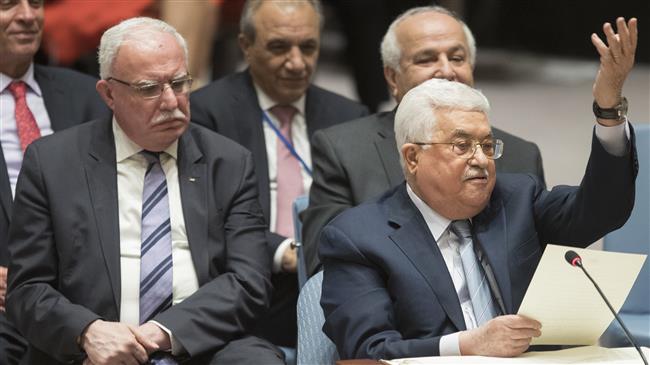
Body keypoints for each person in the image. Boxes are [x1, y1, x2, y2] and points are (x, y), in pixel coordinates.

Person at [319, 17, 638, 360]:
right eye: (461, 145)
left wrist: (609, 112)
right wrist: (466, 345)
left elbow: (603, 209)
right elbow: (368, 349)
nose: (481, 160)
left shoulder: (518, 199)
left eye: (487, 146)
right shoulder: (357, 238)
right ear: (413, 158)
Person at [6, 17, 284, 365]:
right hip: (93, 352)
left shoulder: (228, 162)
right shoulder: (53, 163)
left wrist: (160, 332)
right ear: (108, 93)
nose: (171, 101)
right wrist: (88, 332)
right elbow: (27, 291)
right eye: (149, 88)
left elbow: (249, 282)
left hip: (200, 347)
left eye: (180, 84)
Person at [302, 6, 546, 276]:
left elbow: (546, 267)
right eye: (426, 60)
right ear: (392, 77)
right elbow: (326, 264)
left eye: (457, 57)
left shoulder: (520, 155)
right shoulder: (344, 150)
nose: (446, 71)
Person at [190, 0, 368, 347]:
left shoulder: (348, 115)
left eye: (308, 47)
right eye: (279, 47)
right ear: (246, 45)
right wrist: (283, 251)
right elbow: (207, 211)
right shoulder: (208, 113)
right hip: (250, 278)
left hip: (334, 280)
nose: (297, 63)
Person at [0, 0, 109, 363]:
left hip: (83, 297)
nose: (28, 16)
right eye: (7, 5)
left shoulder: (89, 95)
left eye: (36, 3)